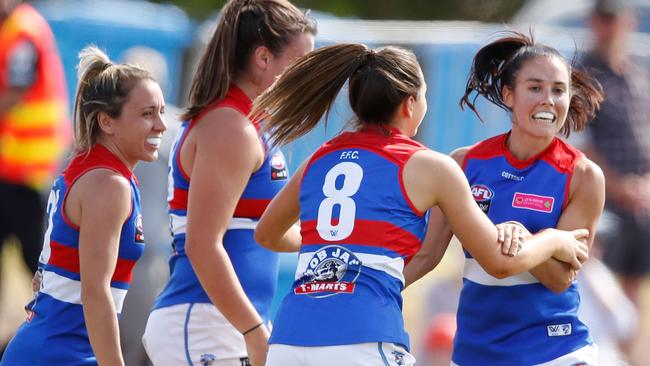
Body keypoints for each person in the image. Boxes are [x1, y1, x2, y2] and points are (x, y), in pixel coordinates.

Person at [251, 43, 590, 366]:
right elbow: (499, 262)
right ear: (411, 105)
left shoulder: (319, 158)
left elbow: (267, 234)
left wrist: (333, 245)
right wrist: (556, 239)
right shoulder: (433, 165)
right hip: (363, 338)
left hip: (288, 341)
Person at [141, 1, 315, 365]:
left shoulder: (252, 125)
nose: (305, 77)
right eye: (299, 65)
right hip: (205, 322)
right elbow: (202, 245)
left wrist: (329, 237)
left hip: (225, 322)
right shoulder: (230, 127)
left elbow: (263, 231)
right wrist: (253, 331)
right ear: (263, 58)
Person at [429, 31, 604, 365]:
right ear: (509, 94)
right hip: (475, 354)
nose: (548, 100)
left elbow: (560, 277)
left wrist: (529, 237)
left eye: (558, 90)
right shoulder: (464, 164)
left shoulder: (584, 175)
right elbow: (427, 255)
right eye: (535, 88)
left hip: (557, 353)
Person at [0, 45, 166, 365]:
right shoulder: (108, 185)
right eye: (147, 114)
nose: (160, 124)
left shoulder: (91, 169)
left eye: (160, 111)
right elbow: (95, 291)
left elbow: (53, 274)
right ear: (106, 121)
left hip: (53, 347)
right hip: (58, 353)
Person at [0, 0, 70, 350]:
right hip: (8, 170)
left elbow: (13, 94)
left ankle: (63, 331)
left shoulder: (23, 30)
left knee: (40, 262)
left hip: (27, 172)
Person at [580, 0, 650, 308]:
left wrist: (644, 185)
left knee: (633, 290)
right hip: (603, 200)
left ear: (628, 22)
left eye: (614, 19)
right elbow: (581, 142)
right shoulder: (583, 77)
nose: (608, 28)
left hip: (641, 201)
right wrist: (621, 186)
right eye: (602, 20)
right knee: (599, 289)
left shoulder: (637, 75)